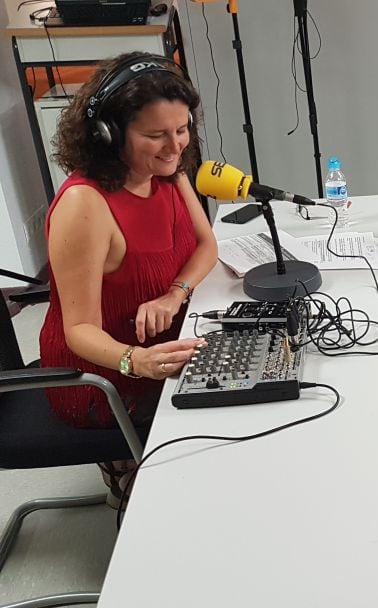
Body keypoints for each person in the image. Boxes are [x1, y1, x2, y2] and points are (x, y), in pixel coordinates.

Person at [39, 52, 215, 501]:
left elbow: (206, 247)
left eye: (182, 129)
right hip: (102, 373)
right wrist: (136, 360)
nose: (175, 146)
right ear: (108, 134)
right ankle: (127, 473)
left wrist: (174, 296)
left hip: (167, 342)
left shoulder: (167, 172)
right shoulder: (86, 205)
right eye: (155, 135)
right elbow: (79, 330)